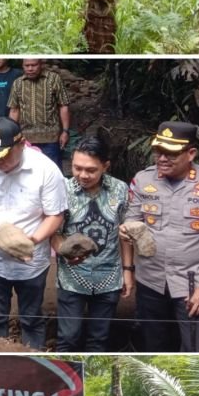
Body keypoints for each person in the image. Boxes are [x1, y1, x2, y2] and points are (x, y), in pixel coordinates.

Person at [123, 120, 199, 351]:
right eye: (159, 151)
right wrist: (127, 229)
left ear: (191, 153)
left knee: (197, 350)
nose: (162, 158)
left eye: (171, 153)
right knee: (153, 349)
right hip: (150, 282)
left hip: (193, 284)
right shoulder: (143, 180)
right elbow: (132, 217)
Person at [0, 117, 67, 347]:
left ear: (21, 144)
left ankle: (32, 358)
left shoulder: (45, 169)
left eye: (3, 156)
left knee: (30, 317)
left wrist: (31, 241)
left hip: (31, 261)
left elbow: (55, 215)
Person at [52, 136, 134, 350]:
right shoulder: (63, 189)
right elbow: (55, 232)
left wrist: (127, 270)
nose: (83, 175)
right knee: (68, 337)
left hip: (109, 276)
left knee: (100, 338)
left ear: (105, 166)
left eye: (91, 170)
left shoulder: (120, 190)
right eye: (77, 168)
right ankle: (64, 379)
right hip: (72, 277)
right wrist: (64, 251)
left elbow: (125, 233)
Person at [7, 58, 71, 169]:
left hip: (50, 138)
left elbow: (63, 105)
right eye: (27, 65)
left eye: (34, 65)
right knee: (28, 170)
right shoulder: (18, 83)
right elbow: (14, 110)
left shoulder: (53, 79)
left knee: (52, 170)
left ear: (41, 64)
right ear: (22, 66)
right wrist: (10, 133)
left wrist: (65, 131)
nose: (30, 69)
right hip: (25, 138)